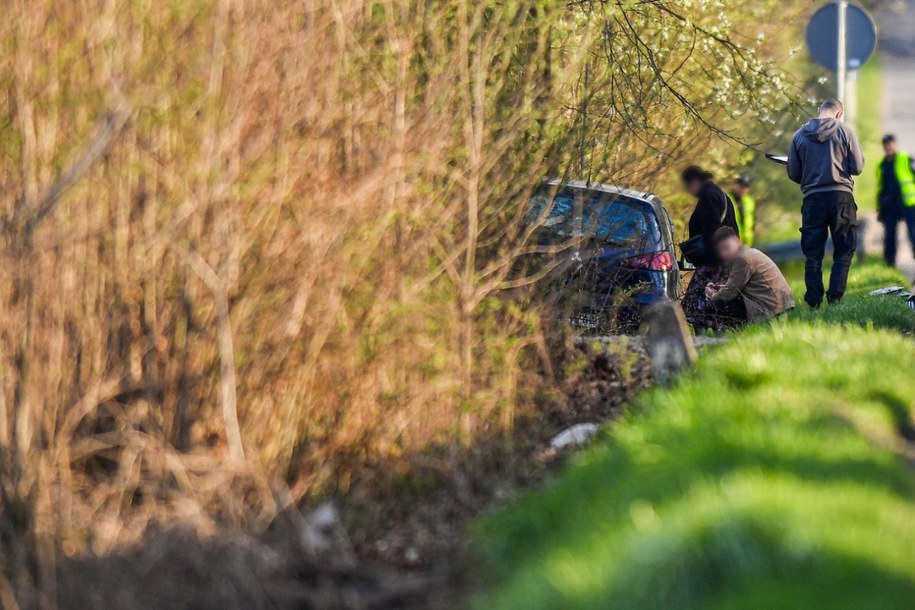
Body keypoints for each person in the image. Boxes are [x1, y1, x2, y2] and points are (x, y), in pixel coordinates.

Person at [787, 98, 864, 308]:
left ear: (819, 110)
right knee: (844, 249)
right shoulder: (845, 132)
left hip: (812, 200)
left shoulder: (799, 136)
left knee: (813, 254)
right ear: (839, 114)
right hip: (841, 198)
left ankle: (813, 302)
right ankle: (835, 299)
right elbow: (857, 167)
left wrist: (811, 178)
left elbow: (793, 172)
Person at [680, 166, 740, 322]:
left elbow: (712, 231)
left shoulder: (708, 197)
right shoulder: (720, 194)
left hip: (714, 261)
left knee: (694, 303)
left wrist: (713, 262)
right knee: (713, 296)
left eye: (688, 187)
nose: (688, 191)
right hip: (725, 258)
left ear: (694, 182)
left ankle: (706, 328)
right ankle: (715, 326)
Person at [703, 227, 795, 328]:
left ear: (737, 241)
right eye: (720, 250)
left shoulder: (742, 258)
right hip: (778, 303)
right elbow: (736, 285)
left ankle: (735, 334)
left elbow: (730, 292)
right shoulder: (747, 253)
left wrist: (713, 296)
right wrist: (718, 288)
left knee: (715, 305)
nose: (723, 253)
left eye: (726, 247)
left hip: (770, 307)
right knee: (721, 302)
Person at [876, 134, 915, 266]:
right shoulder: (881, 164)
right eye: (886, 144)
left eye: (891, 143)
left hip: (908, 203)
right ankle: (889, 264)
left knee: (913, 234)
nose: (889, 146)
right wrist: (880, 206)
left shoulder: (906, 159)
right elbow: (880, 186)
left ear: (895, 144)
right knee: (889, 236)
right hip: (889, 205)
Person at [728, 174, 756, 247]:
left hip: (746, 243)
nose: (743, 189)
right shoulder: (727, 199)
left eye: (746, 187)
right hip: (731, 242)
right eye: (741, 186)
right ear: (735, 185)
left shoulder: (749, 201)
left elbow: (753, 220)